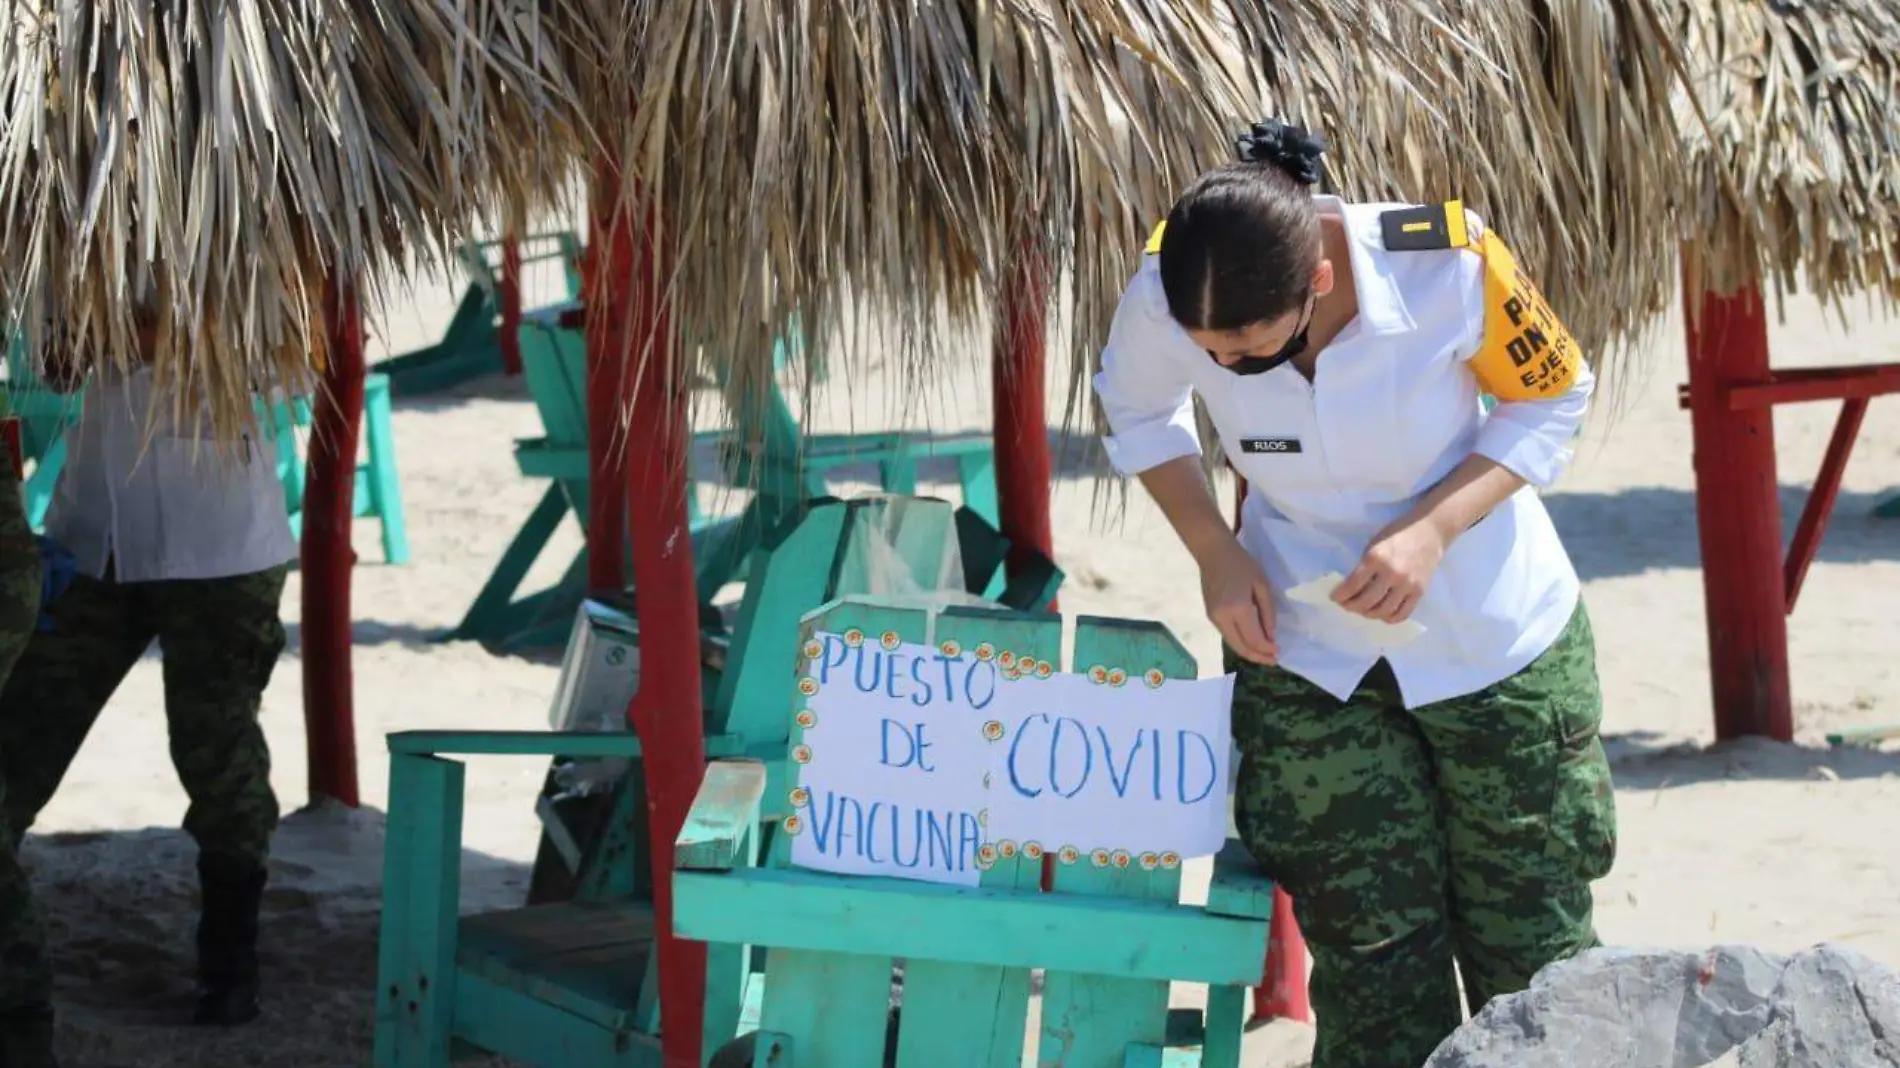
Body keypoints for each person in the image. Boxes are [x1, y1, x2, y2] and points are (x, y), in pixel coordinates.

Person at [1093, 119, 1617, 1068]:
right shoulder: (1175, 286)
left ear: (1320, 282)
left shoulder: (1449, 263)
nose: (1232, 370)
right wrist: (1214, 549)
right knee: (1369, 955)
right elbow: (1137, 407)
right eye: (1211, 355)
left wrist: (1434, 528)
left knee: (1533, 951)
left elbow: (1556, 392)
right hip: (1303, 644)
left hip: (1491, 637)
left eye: (1250, 352)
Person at [0, 307, 295, 1065]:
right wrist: (79, 336)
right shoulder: (87, 227)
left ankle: (230, 966)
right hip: (93, 530)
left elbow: (296, 357)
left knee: (216, 753)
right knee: (20, 738)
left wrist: (148, 331)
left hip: (220, 540)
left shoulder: (256, 223)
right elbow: (59, 368)